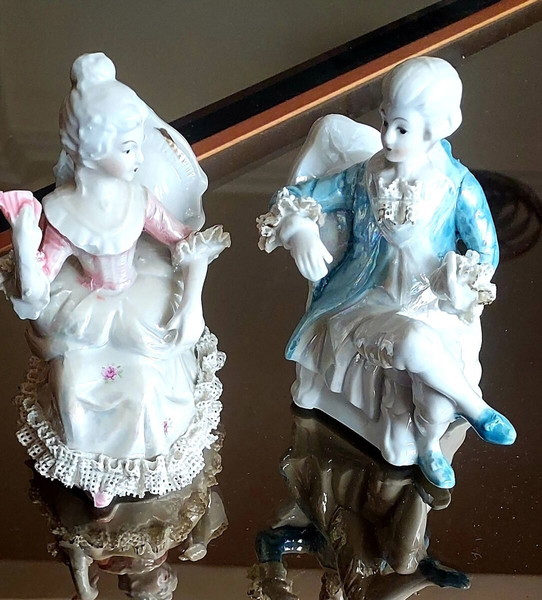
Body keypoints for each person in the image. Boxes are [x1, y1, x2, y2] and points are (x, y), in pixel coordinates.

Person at [258, 57, 516, 488]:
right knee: (413, 341)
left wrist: (462, 284)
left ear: (438, 129)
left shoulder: (456, 186)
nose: (386, 137)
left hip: (433, 304)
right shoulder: (364, 176)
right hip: (365, 302)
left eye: (402, 129)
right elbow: (294, 195)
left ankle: (429, 447)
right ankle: (477, 409)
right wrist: (300, 229)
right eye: (384, 122)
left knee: (432, 388)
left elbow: (485, 253)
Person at [0, 53, 229, 506]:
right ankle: (95, 466)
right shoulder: (62, 213)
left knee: (144, 382)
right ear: (90, 150)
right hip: (86, 308)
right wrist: (25, 243)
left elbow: (186, 242)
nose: (139, 158)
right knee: (72, 383)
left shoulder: (138, 199)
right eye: (127, 148)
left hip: (138, 297)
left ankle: (145, 456)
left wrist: (193, 294)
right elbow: (35, 294)